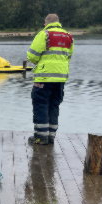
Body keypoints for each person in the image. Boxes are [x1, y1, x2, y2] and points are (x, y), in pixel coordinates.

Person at [26, 13, 74, 145]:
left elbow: (32, 56)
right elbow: (68, 56)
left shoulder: (44, 34)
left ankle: (41, 137)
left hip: (44, 77)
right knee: (54, 105)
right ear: (58, 22)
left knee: (40, 104)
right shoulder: (68, 36)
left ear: (45, 23)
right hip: (61, 78)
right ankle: (51, 136)